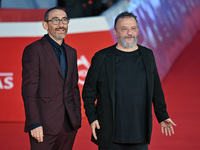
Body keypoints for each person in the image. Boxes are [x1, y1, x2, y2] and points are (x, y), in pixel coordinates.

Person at [82, 11, 176, 150]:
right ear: (116, 32)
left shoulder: (147, 55)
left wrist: (162, 115)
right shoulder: (102, 57)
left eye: (133, 28)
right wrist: (92, 117)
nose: (129, 33)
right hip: (110, 134)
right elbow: (88, 92)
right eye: (124, 29)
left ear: (138, 30)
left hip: (139, 133)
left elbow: (156, 88)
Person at [21, 7, 81, 150]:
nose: (61, 24)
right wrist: (34, 123)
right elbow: (29, 91)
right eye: (55, 20)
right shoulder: (34, 50)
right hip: (43, 125)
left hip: (69, 125)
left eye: (64, 20)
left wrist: (76, 117)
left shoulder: (71, 52)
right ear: (45, 25)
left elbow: (73, 87)